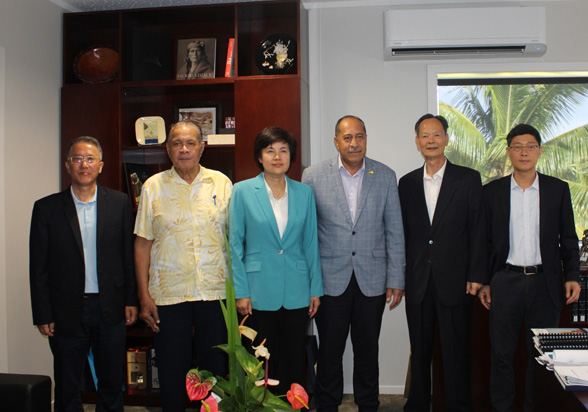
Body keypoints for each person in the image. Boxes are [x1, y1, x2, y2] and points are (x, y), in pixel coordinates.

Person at [301, 115, 405, 412]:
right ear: (337, 142)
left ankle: (368, 404)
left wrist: (396, 279)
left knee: (367, 350)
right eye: (347, 137)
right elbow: (307, 234)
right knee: (330, 351)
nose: (354, 143)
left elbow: (394, 230)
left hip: (372, 279)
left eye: (360, 136)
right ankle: (327, 404)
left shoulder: (385, 175)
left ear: (366, 140)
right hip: (329, 280)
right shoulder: (313, 176)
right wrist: (310, 282)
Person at [29, 136, 138, 412]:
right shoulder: (46, 209)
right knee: (67, 385)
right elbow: (38, 267)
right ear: (68, 165)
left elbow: (127, 257)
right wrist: (43, 314)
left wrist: (131, 300)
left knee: (111, 382)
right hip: (65, 310)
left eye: (90, 159)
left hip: (110, 307)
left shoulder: (120, 203)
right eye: (77, 159)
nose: (84, 165)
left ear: (100, 165)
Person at [479, 123, 581, 412]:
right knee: (501, 355)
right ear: (509, 152)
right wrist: (485, 281)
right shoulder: (492, 192)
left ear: (539, 151)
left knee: (542, 357)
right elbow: (484, 241)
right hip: (505, 282)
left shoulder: (557, 190)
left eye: (530, 146)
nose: (524, 152)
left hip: (544, 283)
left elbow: (568, 237)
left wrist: (572, 276)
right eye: (518, 147)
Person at [134, 120, 232, 412]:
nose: (184, 149)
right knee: (172, 372)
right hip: (168, 295)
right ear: (168, 149)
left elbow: (236, 239)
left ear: (202, 147)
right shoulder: (153, 186)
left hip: (214, 293)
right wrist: (143, 295)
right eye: (177, 143)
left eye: (190, 143)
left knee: (215, 373)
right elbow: (142, 243)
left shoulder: (222, 183)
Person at [398, 114, 486, 412]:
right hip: (418, 281)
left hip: (457, 281)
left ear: (446, 139)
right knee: (420, 351)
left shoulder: (468, 179)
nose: (431, 140)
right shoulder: (407, 183)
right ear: (417, 141)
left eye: (437, 134)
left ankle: (458, 406)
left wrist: (476, 274)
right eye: (425, 135)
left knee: (455, 352)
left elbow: (478, 229)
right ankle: (418, 405)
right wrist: (399, 278)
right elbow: (402, 234)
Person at [229, 126, 323, 395]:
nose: (277, 157)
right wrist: (241, 291)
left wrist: (315, 289)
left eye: (283, 150)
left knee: (293, 359)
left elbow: (310, 243)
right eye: (270, 151)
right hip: (257, 291)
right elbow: (235, 245)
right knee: (260, 362)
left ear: (291, 156)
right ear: (260, 157)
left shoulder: (304, 193)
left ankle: (294, 406)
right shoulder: (242, 191)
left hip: (297, 289)